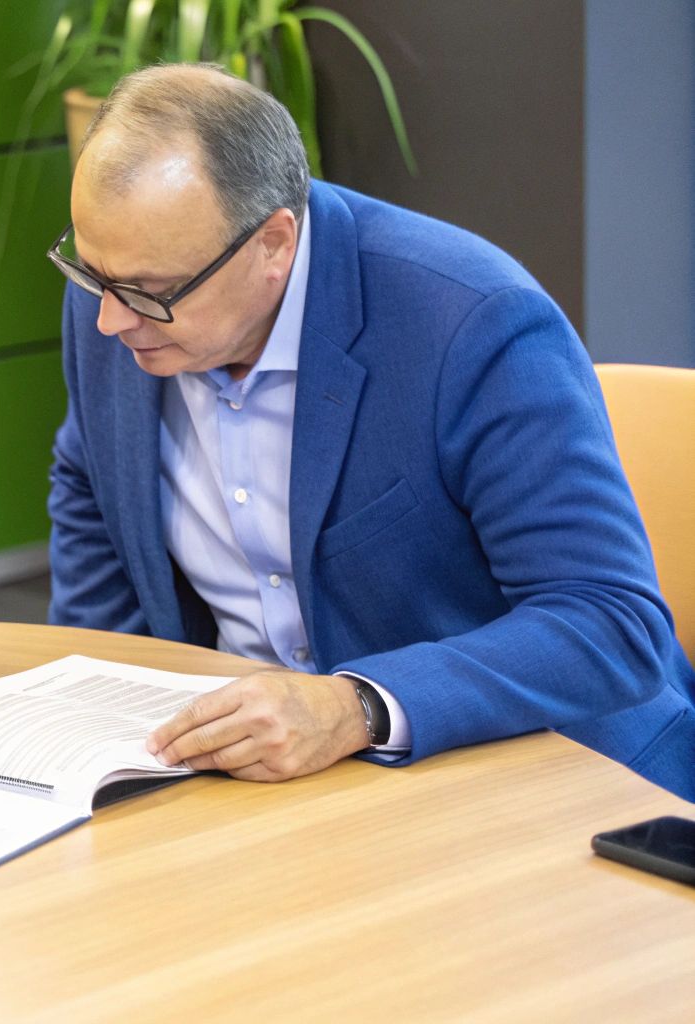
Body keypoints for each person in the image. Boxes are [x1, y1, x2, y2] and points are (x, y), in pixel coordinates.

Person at [46, 64, 695, 798]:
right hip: (267, 785)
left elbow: (610, 624)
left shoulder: (469, 323)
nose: (110, 319)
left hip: (541, 775)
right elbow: (94, 477)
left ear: (274, 245)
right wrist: (99, 710)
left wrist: (357, 707)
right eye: (92, 276)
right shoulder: (125, 295)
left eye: (149, 292)